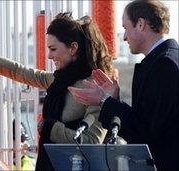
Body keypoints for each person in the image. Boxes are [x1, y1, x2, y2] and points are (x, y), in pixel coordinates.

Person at [0, 13, 113, 170]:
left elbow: (92, 141)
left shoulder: (94, 86)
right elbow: (18, 71)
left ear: (73, 48)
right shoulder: (57, 80)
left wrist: (51, 128)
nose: (50, 56)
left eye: (53, 49)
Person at [68, 1, 179, 170]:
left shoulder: (165, 65)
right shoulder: (166, 60)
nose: (125, 36)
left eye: (126, 27)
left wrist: (104, 101)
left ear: (141, 24)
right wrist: (114, 99)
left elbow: (145, 131)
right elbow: (149, 120)